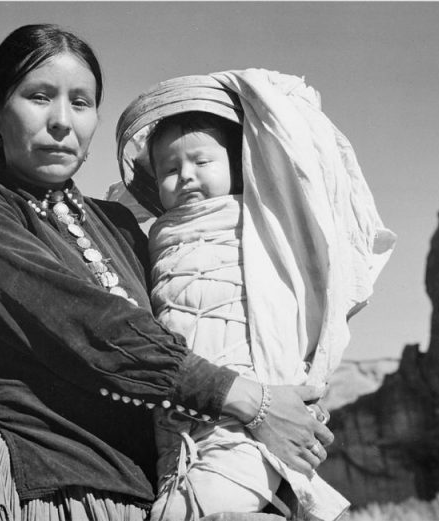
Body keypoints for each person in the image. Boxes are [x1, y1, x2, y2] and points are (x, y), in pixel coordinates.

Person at [0, 25, 334, 521]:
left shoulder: (121, 225)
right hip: (41, 485)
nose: (61, 121)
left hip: (148, 493)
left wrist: (288, 396)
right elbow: (90, 326)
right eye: (38, 97)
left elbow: (195, 325)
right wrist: (253, 401)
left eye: (81, 102)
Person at [114, 72, 396, 520]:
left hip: (250, 405)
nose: (185, 175)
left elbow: (294, 121)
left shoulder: (260, 222)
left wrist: (239, 87)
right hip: (187, 410)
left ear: (236, 163)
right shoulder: (151, 239)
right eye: (169, 169)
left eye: (201, 161)